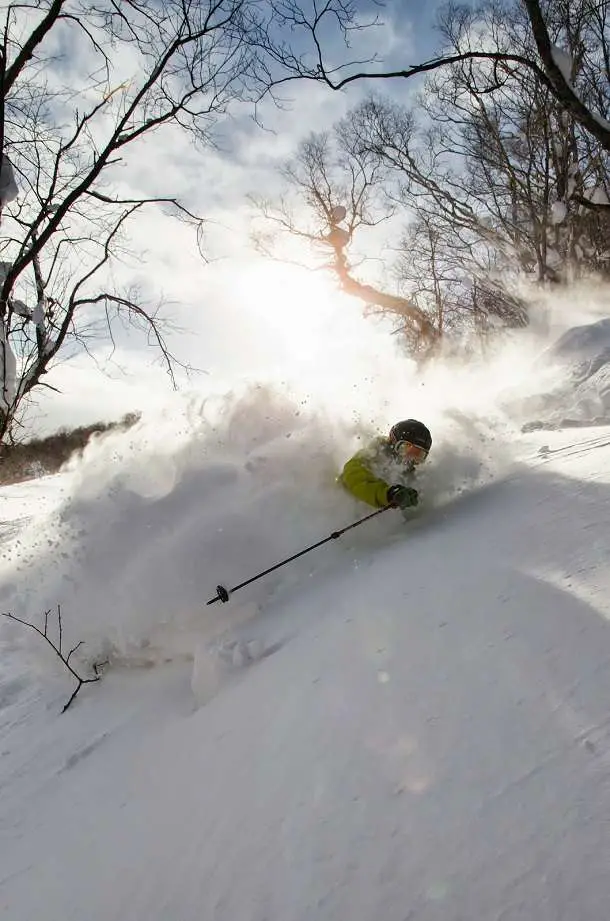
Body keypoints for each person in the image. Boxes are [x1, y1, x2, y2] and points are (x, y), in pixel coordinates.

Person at [339, 419, 432, 510]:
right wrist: (387, 494)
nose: (408, 458)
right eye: (405, 448)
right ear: (392, 441)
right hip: (341, 505)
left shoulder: (409, 473)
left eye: (418, 455)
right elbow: (354, 476)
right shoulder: (374, 453)